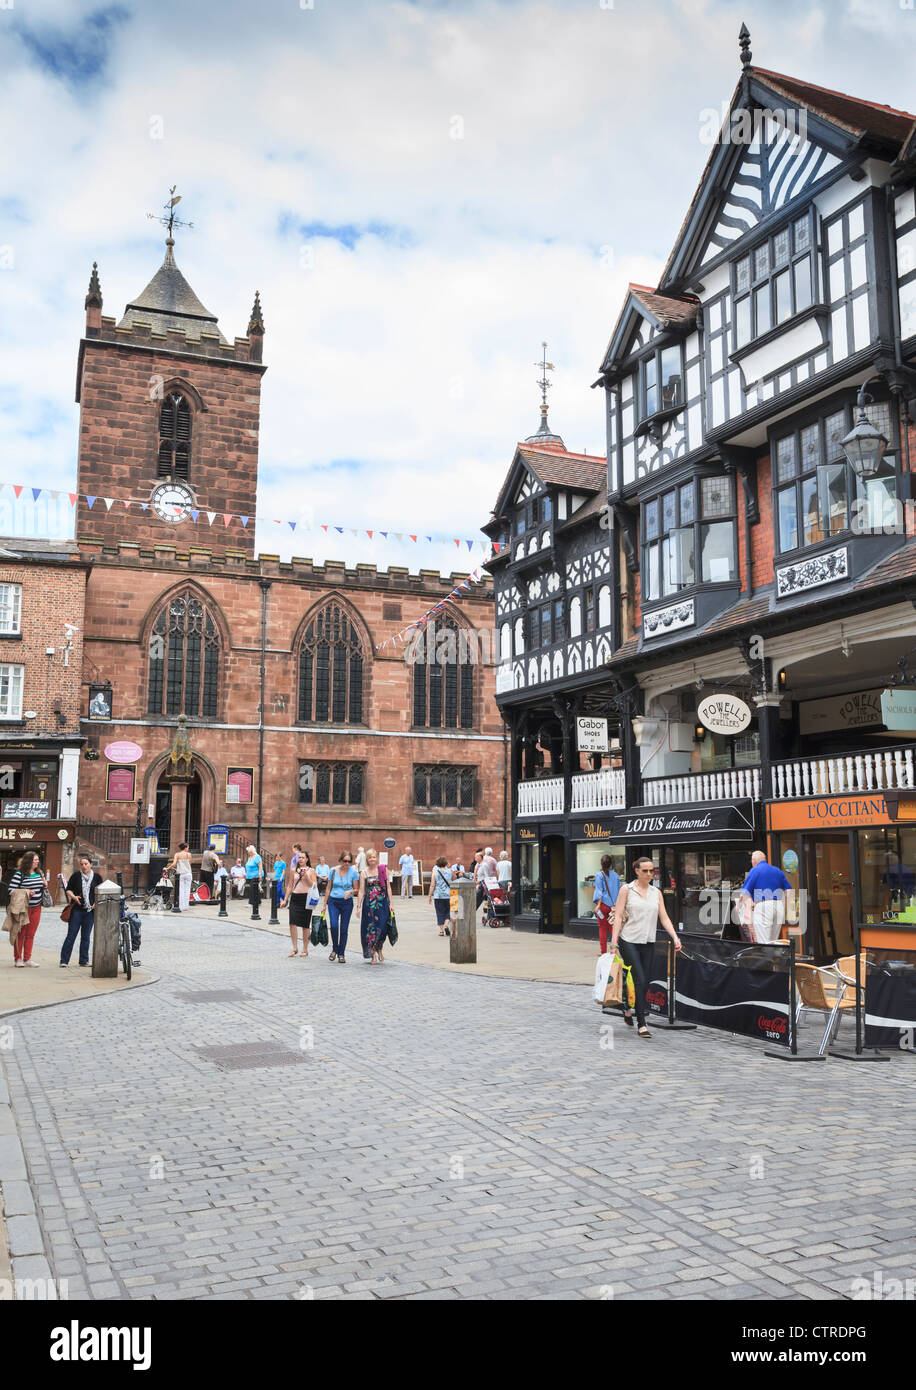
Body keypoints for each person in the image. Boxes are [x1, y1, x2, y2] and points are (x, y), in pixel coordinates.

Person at [610, 856, 682, 1038]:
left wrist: (675, 937)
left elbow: (664, 917)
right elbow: (618, 916)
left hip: (648, 941)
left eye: (652, 871)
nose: (649, 874)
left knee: (646, 981)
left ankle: (626, 1007)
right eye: (645, 871)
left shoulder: (656, 892)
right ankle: (642, 1024)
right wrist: (613, 942)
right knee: (640, 979)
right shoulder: (627, 890)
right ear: (637, 871)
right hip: (629, 940)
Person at [739, 850, 792, 944]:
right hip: (778, 906)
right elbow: (789, 891)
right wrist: (785, 908)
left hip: (763, 907)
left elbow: (744, 893)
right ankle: (774, 958)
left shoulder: (755, 870)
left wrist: (740, 905)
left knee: (764, 942)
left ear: (754, 861)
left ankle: (767, 958)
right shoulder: (777, 871)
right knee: (773, 942)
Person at [9, 850, 50, 968]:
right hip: (23, 908)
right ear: (29, 861)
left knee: (31, 934)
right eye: (35, 860)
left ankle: (27, 959)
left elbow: (41, 888)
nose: (37, 862)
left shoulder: (40, 873)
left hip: (37, 907)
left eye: (38, 860)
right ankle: (18, 959)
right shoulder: (19, 874)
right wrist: (26, 892)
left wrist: (45, 885)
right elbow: (11, 890)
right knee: (20, 933)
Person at [61, 854, 103, 968]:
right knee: (71, 935)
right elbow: (68, 890)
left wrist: (96, 903)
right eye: (82, 864)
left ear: (91, 864)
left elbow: (100, 892)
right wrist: (74, 897)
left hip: (90, 911)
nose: (84, 866)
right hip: (77, 910)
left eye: (86, 864)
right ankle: (64, 960)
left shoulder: (97, 877)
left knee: (86, 937)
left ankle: (83, 961)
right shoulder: (76, 876)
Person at [320, 850, 359, 963]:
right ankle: (334, 949)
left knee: (343, 928)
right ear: (340, 860)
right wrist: (324, 904)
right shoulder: (332, 871)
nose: (347, 863)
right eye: (345, 861)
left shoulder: (353, 872)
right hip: (333, 901)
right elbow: (328, 888)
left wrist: (350, 891)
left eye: (349, 861)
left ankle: (341, 953)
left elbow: (357, 889)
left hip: (347, 903)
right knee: (334, 925)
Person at [357, 848, 393, 963]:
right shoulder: (364, 873)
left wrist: (391, 903)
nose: (372, 859)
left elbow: (388, 887)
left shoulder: (383, 869)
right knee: (371, 929)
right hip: (369, 906)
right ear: (367, 859)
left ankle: (379, 948)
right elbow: (361, 891)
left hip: (382, 904)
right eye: (369, 857)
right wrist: (358, 906)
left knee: (383, 928)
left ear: (376, 858)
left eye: (373, 857)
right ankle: (372, 954)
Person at [282, 852, 317, 957]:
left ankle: (305, 949)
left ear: (307, 859)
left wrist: (306, 877)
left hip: (306, 898)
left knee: (305, 925)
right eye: (299, 857)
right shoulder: (293, 870)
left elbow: (314, 886)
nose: (301, 859)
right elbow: (289, 885)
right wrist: (285, 899)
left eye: (303, 857)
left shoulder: (311, 871)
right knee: (292, 922)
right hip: (295, 898)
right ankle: (295, 948)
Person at [593, 853, 622, 955]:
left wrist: (598, 905)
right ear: (611, 864)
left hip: (603, 905)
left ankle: (603, 951)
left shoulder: (599, 875)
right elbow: (619, 890)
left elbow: (599, 891)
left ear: (601, 864)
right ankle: (615, 949)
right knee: (613, 928)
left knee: (602, 928)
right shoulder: (616, 875)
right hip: (613, 906)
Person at [429, 856, 453, 937]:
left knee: (439, 912)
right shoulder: (450, 871)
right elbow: (455, 879)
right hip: (448, 895)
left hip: (438, 896)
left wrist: (429, 895)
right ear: (446, 863)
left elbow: (432, 885)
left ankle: (441, 931)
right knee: (448, 911)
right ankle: (446, 925)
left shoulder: (435, 873)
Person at [168, 841, 193, 911]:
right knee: (187, 890)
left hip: (181, 874)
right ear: (185, 848)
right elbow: (189, 864)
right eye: (187, 847)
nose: (188, 849)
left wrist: (167, 868)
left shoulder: (177, 854)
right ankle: (186, 906)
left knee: (181, 889)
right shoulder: (189, 854)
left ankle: (181, 906)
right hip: (188, 873)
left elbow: (174, 864)